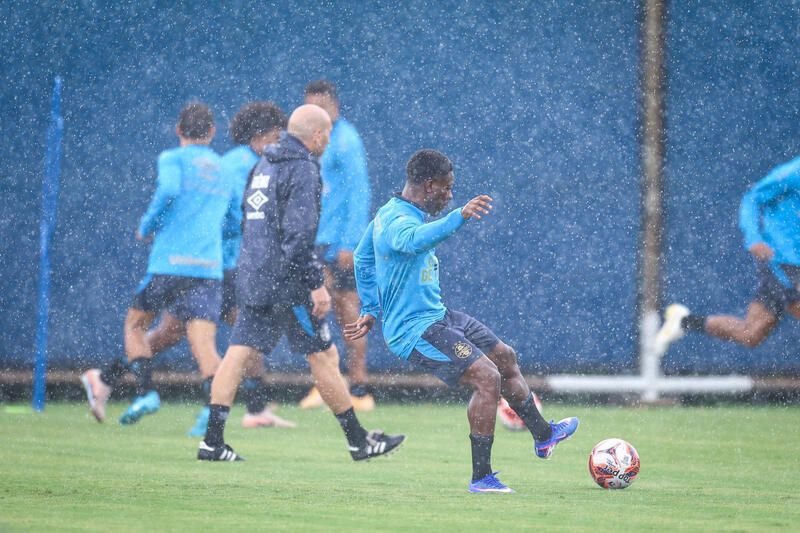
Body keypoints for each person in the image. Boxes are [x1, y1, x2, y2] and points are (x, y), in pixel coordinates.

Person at [344, 149, 578, 493]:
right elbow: (410, 241)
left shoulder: (391, 213)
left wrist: (370, 307)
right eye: (447, 187)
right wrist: (459, 216)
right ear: (428, 186)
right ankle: (481, 478)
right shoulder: (395, 221)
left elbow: (363, 258)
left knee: (505, 357)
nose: (451, 195)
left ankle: (543, 434)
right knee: (487, 378)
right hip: (415, 331)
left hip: (439, 316)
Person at [197, 104, 405, 462]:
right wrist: (315, 283)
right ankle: (358, 441)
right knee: (324, 355)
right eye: (326, 135)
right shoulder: (304, 168)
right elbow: (298, 237)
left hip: (253, 274)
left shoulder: (262, 164)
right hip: (287, 282)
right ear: (318, 135)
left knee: (237, 352)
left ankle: (212, 442)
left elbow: (251, 225)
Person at [142, 102, 296, 436]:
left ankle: (109, 377)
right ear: (258, 135)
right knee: (241, 334)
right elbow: (231, 217)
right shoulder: (236, 164)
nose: (279, 140)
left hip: (229, 266)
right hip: (226, 267)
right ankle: (232, 408)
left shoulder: (257, 162)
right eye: (274, 134)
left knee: (177, 333)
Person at [81, 103, 231, 426]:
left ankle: (147, 392)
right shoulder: (223, 168)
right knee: (204, 344)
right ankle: (214, 423)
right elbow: (233, 219)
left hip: (171, 262)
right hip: (208, 268)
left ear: (178, 130)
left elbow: (169, 190)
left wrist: (147, 226)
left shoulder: (172, 158)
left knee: (135, 325)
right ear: (212, 133)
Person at [656, 155, 800, 353]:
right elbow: (753, 198)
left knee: (750, 334)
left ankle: (684, 321)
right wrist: (754, 238)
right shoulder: (793, 173)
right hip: (782, 261)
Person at [299, 79, 375, 411]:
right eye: (309, 107)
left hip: (340, 245)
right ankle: (327, 384)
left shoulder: (346, 140)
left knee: (349, 312)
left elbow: (360, 192)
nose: (315, 113)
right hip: (312, 242)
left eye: (321, 106)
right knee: (315, 312)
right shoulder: (304, 141)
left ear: (335, 108)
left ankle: (360, 389)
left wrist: (350, 242)